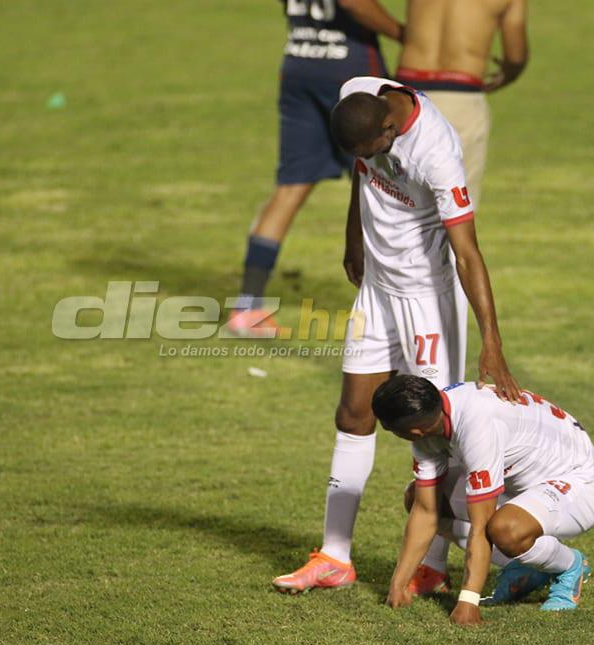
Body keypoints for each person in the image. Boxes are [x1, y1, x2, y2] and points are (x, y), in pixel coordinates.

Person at [272, 77, 522, 595]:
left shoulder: (437, 152)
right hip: (377, 293)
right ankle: (335, 556)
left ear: (390, 129)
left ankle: (433, 564)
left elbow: (468, 253)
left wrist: (491, 343)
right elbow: (360, 172)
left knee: (433, 431)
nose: (367, 160)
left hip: (427, 302)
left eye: (372, 150)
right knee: (353, 414)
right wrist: (353, 237)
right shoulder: (359, 94)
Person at [226, 0, 404, 337]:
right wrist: (402, 33)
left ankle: (247, 306)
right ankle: (397, 308)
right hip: (350, 69)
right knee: (386, 186)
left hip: (299, 62)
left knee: (291, 186)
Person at [372, 375, 594, 626]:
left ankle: (569, 565)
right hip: (524, 484)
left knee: (505, 529)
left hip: (581, 484)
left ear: (413, 432)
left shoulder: (478, 427)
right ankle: (526, 566)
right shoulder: (435, 413)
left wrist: (468, 601)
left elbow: (481, 525)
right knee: (418, 497)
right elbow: (425, 510)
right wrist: (398, 584)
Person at [395, 0, 529, 208]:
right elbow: (516, 54)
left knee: (395, 200)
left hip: (405, 94)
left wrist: (400, 33)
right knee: (455, 206)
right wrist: (509, 74)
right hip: (461, 95)